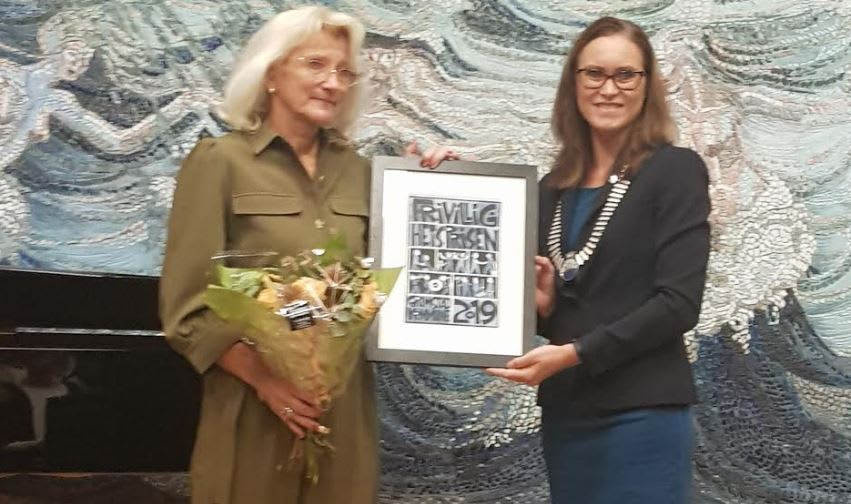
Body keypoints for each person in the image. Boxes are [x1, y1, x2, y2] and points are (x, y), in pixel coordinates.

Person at [159, 6, 456, 503]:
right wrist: (266, 381)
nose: (333, 83)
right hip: (252, 406)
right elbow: (186, 310)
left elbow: (394, 289)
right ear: (272, 73)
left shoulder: (364, 173)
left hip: (341, 410)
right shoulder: (221, 162)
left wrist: (435, 189)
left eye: (344, 72)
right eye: (315, 64)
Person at [487, 17, 711, 504]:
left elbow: (679, 304)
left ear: (647, 86)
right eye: (594, 74)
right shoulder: (551, 189)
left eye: (625, 75)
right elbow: (576, 307)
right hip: (568, 414)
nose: (608, 89)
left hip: (644, 414)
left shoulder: (675, 170)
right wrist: (546, 309)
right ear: (573, 83)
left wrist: (573, 354)